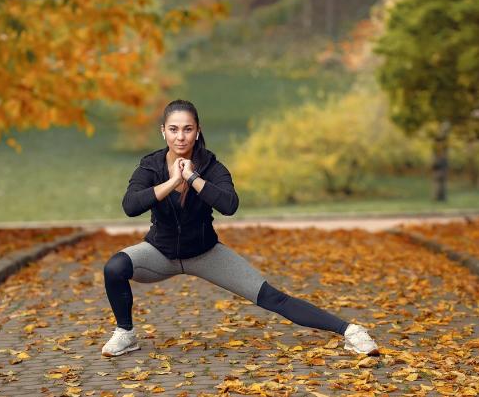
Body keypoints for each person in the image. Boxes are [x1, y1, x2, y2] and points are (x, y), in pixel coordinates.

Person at [101, 99, 380, 357]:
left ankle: (351, 331)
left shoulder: (212, 167)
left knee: (272, 297)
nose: (180, 136)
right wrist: (173, 182)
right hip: (159, 253)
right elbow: (130, 205)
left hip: (205, 254)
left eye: (187, 129)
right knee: (115, 268)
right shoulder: (151, 166)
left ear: (197, 132)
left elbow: (229, 204)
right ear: (163, 132)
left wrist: (193, 178)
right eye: (173, 129)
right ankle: (126, 333)